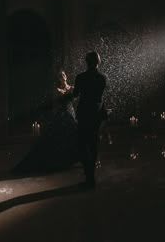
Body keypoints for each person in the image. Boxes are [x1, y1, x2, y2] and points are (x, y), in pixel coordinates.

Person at [12, 70, 79, 174]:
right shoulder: (57, 90)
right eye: (60, 75)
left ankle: (70, 159)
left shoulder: (72, 88)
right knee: (58, 137)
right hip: (61, 115)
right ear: (58, 78)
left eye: (64, 74)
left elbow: (74, 100)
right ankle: (58, 161)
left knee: (72, 136)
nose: (63, 76)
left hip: (70, 114)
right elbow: (55, 103)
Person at [73, 51, 107, 188]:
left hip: (84, 113)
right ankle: (91, 177)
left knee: (81, 144)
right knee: (93, 144)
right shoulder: (103, 77)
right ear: (98, 62)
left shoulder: (81, 77)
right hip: (96, 113)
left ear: (86, 62)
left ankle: (88, 175)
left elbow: (76, 94)